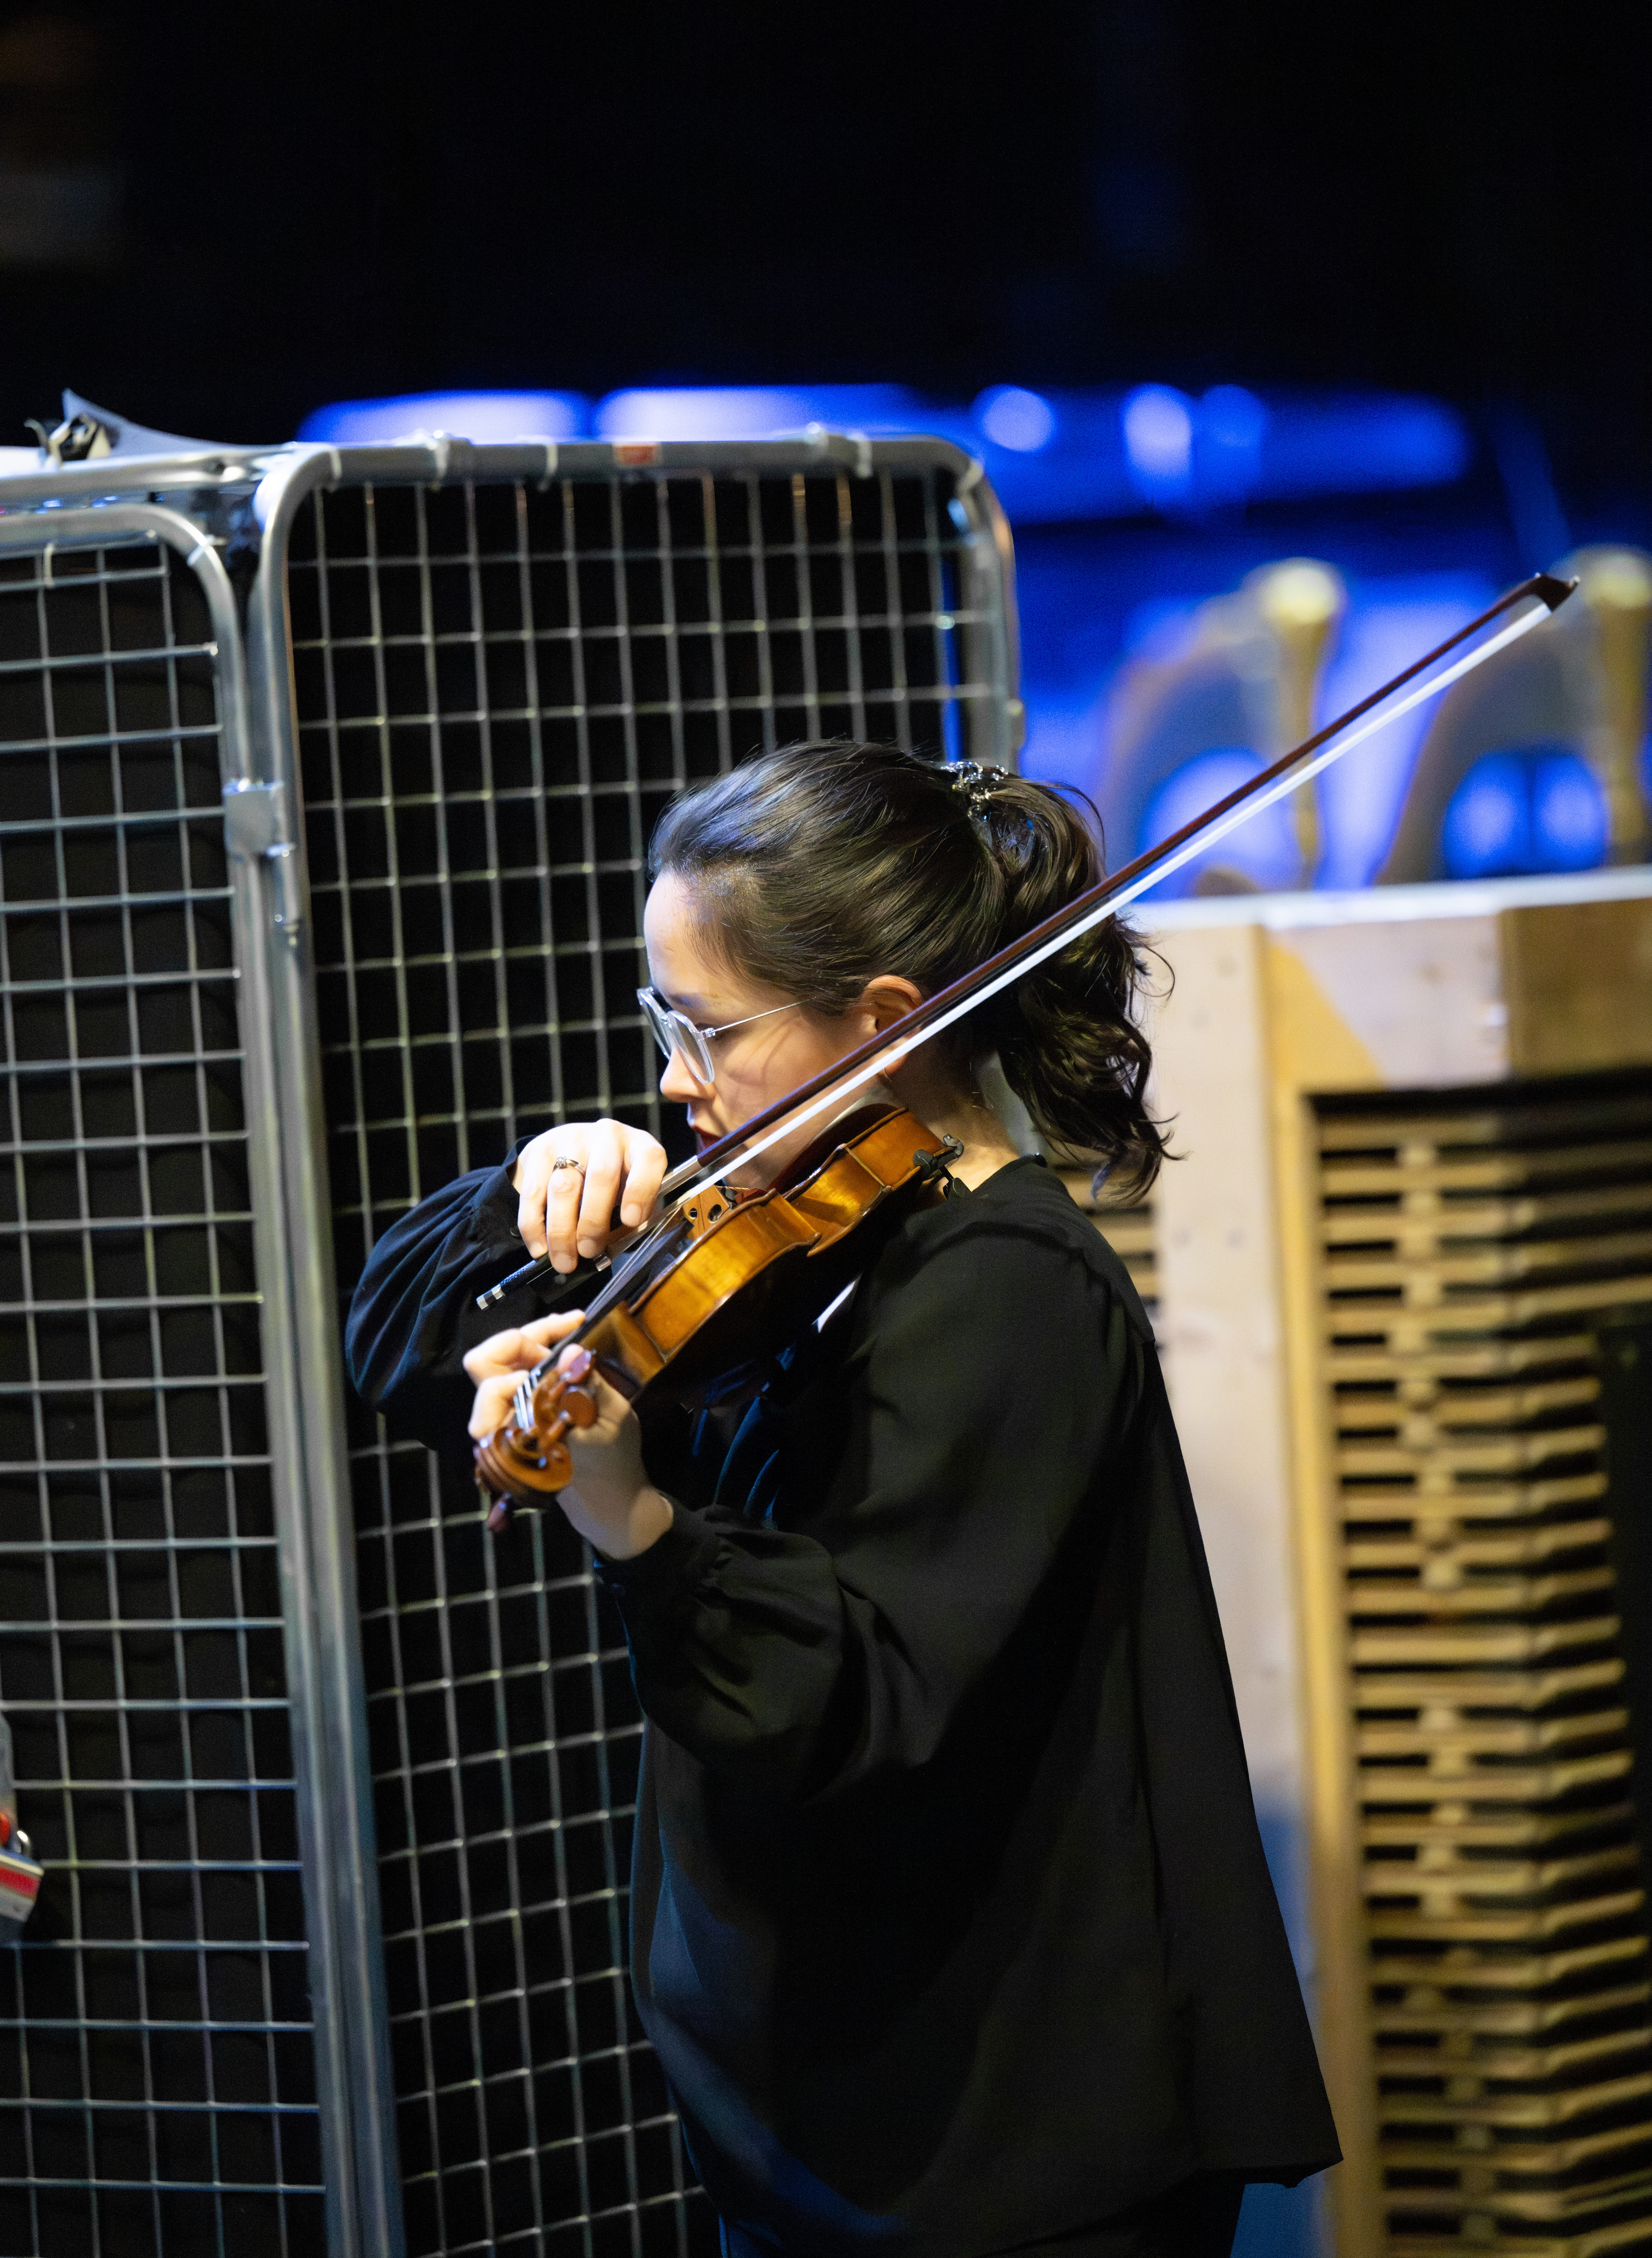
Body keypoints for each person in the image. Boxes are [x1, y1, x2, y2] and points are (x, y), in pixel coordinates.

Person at [346, 740, 1339, 2258]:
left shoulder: (1000, 1287)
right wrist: (528, 1188)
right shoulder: (788, 1241)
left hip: (989, 2149)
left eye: (704, 1029)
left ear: (882, 1027)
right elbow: (394, 1348)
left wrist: (635, 1525)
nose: (674, 1079)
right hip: (824, 2122)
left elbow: (854, 1703)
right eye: (658, 1021)